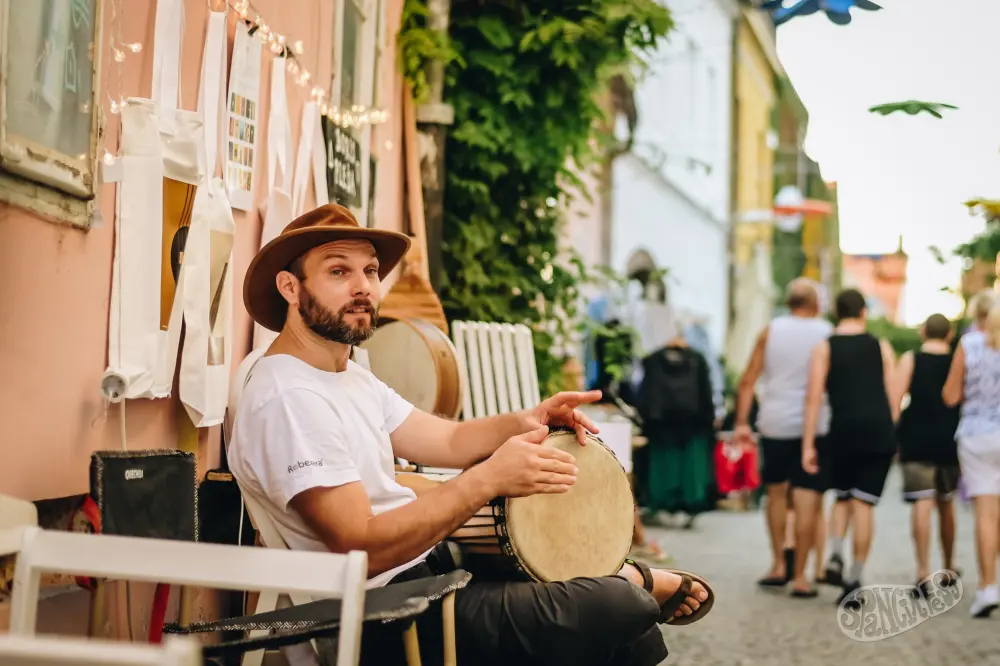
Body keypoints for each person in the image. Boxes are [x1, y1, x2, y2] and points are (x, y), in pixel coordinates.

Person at [228, 204, 715, 666]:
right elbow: (363, 547)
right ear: (290, 288)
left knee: (622, 616)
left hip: (430, 575)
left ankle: (632, 581)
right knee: (615, 605)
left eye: (371, 271)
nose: (363, 288)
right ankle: (633, 581)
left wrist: (531, 419)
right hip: (389, 615)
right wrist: (488, 480)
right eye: (339, 272)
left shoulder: (345, 374)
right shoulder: (289, 397)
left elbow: (447, 441)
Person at [734, 278, 832, 597]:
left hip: (775, 423)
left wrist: (741, 423)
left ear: (789, 302)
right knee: (808, 499)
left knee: (776, 494)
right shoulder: (826, 333)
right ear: (816, 302)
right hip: (815, 425)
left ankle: (778, 564)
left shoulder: (770, 331)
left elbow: (748, 381)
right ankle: (802, 575)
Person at [802, 288, 897, 605]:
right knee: (864, 504)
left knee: (842, 498)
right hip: (877, 431)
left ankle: (836, 554)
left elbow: (814, 397)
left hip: (842, 431)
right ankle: (855, 577)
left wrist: (808, 444)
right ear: (863, 312)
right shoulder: (880, 345)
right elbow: (893, 392)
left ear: (836, 313)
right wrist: (890, 428)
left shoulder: (824, 347)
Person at [891, 314, 961, 596]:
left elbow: (895, 399)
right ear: (949, 334)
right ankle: (948, 565)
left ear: (923, 332)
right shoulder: (958, 361)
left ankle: (923, 571)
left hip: (916, 439)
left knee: (922, 502)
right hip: (950, 440)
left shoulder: (911, 360)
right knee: (946, 502)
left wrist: (892, 434)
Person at [943, 295, 1000, 618]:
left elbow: (950, 395)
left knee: (986, 514)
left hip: (978, 435)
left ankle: (988, 587)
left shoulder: (969, 344)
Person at [635, 333, 717, 529]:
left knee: (662, 468)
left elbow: (644, 394)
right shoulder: (697, 360)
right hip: (692, 424)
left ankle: (660, 504)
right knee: (690, 469)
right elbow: (706, 395)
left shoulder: (653, 360)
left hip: (660, 424)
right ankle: (691, 506)